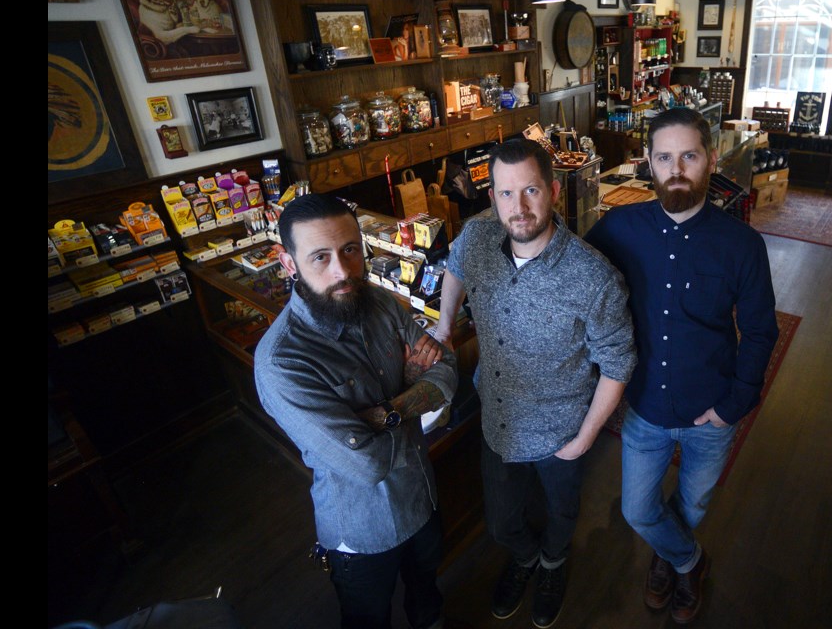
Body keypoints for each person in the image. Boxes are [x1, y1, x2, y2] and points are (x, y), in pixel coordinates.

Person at [585, 107, 779, 625]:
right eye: (664, 157)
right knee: (635, 509)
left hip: (713, 409)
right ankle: (688, 559)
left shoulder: (742, 244)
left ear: (710, 160)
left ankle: (667, 554)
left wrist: (733, 404)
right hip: (645, 405)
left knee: (692, 507)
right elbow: (575, 277)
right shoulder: (618, 228)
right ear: (648, 162)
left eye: (688, 156)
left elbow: (761, 330)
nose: (676, 169)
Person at [434, 139, 636, 629]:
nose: (518, 207)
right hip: (498, 419)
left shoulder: (594, 276)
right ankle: (525, 558)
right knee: (502, 522)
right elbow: (455, 265)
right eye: (505, 194)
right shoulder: (479, 236)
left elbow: (618, 363)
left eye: (530, 191)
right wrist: (443, 326)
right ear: (491, 197)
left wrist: (584, 439)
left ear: (553, 192)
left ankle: (551, 564)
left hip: (561, 431)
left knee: (561, 513)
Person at [254, 194, 457, 629]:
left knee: (427, 596)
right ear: (287, 263)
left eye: (350, 249)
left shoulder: (380, 302)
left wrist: (380, 413)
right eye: (320, 257)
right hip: (362, 530)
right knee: (367, 618)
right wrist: (413, 388)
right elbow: (367, 465)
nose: (342, 271)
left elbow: (448, 372)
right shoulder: (282, 362)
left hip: (422, 496)